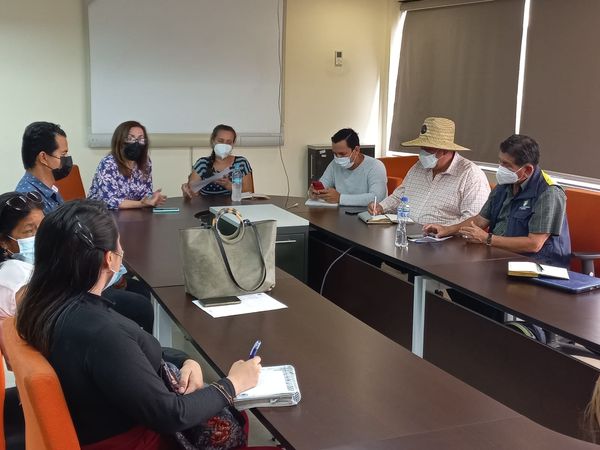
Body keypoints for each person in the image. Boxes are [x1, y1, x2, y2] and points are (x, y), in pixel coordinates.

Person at [16, 199, 262, 449]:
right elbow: (171, 415)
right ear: (110, 259)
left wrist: (187, 361)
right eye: (119, 243)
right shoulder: (102, 334)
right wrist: (234, 383)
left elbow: (130, 357)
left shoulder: (45, 306)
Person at [424, 134, 571, 267]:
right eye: (500, 162)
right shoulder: (506, 184)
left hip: (538, 266)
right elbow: (480, 220)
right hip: (500, 257)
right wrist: (447, 229)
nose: (501, 169)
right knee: (453, 268)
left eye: (507, 165)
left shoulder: (549, 193)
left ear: (527, 170)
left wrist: (486, 238)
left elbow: (534, 244)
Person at [368, 117, 490, 224]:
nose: (422, 154)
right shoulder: (418, 166)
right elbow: (399, 196)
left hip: (444, 240)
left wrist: (445, 230)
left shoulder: (471, 175)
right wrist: (381, 207)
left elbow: (474, 220)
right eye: (422, 149)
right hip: (406, 231)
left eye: (428, 150)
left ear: (444, 150)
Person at [88, 121, 167, 209]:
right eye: (130, 138)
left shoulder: (145, 162)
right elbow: (110, 201)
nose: (136, 143)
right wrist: (142, 204)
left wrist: (152, 198)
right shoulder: (108, 163)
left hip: (131, 213)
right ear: (119, 141)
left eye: (141, 139)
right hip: (100, 213)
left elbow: (145, 194)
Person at [309, 128, 387, 206]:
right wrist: (315, 192)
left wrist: (340, 198)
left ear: (356, 150)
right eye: (335, 154)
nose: (338, 158)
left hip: (368, 212)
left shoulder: (375, 166)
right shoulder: (334, 164)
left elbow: (376, 197)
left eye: (342, 154)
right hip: (341, 211)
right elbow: (323, 184)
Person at [15, 121, 72, 214]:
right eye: (63, 154)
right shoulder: (30, 202)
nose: (66, 158)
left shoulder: (48, 189)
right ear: (43, 158)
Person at [181, 124, 253, 197]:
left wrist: (230, 186)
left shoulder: (241, 163)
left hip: (234, 204)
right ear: (213, 141)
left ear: (233, 144)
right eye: (220, 141)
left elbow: (250, 192)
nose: (224, 145)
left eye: (228, 142)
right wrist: (186, 191)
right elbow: (192, 194)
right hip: (206, 204)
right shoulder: (202, 163)